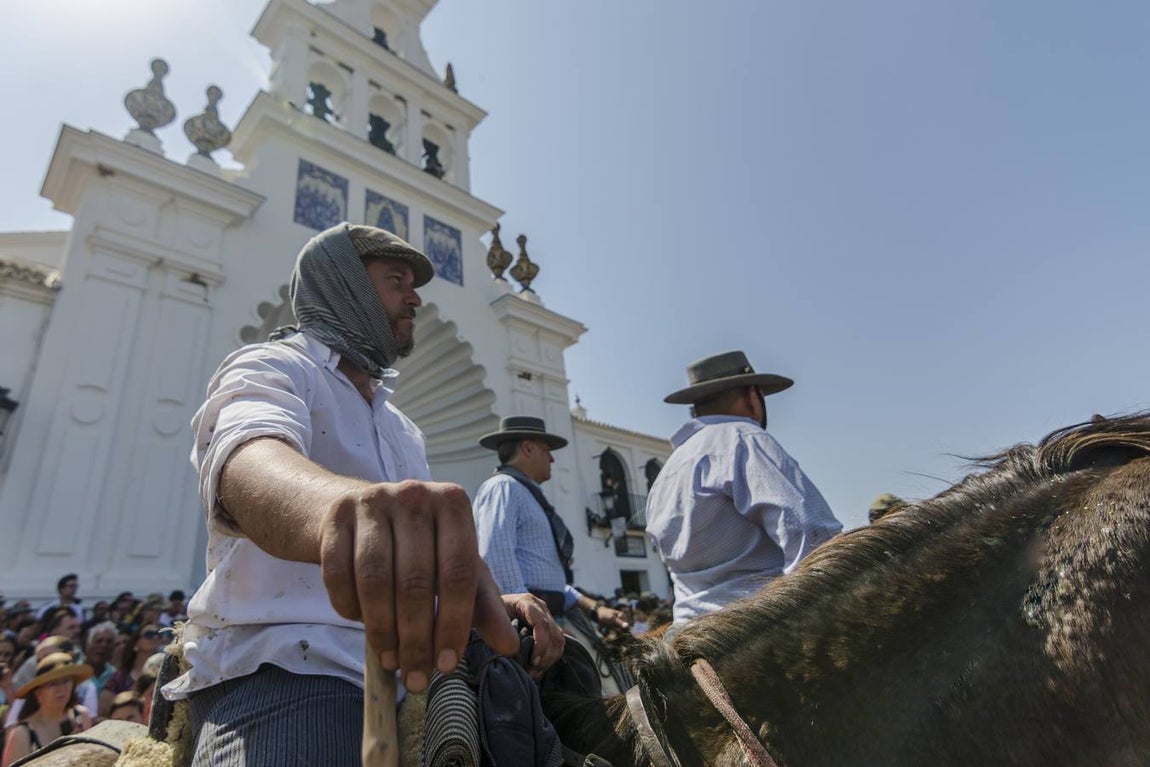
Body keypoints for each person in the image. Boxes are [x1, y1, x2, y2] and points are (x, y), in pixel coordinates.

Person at [162, 223, 562, 766]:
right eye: (396, 280)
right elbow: (247, 464)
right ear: (341, 286)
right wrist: (347, 513)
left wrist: (474, 598)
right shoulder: (275, 366)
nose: (415, 296)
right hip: (293, 665)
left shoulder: (401, 428)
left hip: (412, 673)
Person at [646, 350, 843, 624]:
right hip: (756, 626)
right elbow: (811, 533)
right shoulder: (744, 438)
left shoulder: (667, 471)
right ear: (753, 396)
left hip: (690, 632)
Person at [472, 416, 630, 631]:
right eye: (547, 451)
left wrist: (595, 609)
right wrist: (531, 617)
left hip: (545, 619)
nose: (552, 459)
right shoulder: (503, 487)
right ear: (528, 448)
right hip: (529, 626)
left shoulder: (526, 494)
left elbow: (551, 584)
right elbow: (496, 559)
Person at [0, 652, 92, 767]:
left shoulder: (82, 716)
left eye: (66, 681)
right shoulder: (23, 734)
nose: (61, 689)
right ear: (39, 694)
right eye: (53, 684)